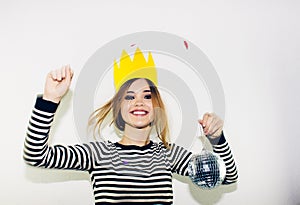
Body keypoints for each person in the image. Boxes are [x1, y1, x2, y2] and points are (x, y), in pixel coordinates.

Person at [23, 48, 238, 205]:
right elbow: (36, 156)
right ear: (118, 108)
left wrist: (217, 138)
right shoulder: (98, 153)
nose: (139, 102)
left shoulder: (168, 154)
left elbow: (228, 177)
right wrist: (50, 100)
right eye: (129, 96)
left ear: (156, 107)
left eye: (147, 96)